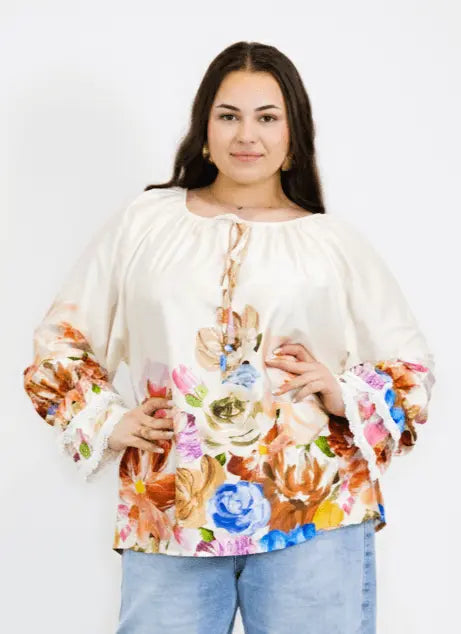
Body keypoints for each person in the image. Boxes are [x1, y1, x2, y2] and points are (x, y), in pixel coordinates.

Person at [23, 41, 436, 634]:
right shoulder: (146, 223)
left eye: (267, 117)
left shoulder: (332, 243)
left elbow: (412, 366)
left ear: (294, 133)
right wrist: (106, 419)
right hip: (170, 511)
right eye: (228, 116)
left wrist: (340, 390)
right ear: (204, 129)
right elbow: (61, 338)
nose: (247, 135)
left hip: (314, 511)